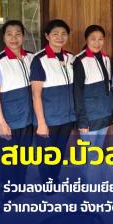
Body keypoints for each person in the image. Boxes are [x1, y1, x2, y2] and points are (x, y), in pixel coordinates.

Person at [0, 20, 34, 196]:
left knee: (24, 158)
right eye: (9, 34)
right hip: (9, 121)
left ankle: (19, 190)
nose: (14, 38)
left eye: (18, 34)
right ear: (3, 37)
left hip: (28, 120)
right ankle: (8, 194)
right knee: (9, 160)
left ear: (24, 36)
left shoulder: (31, 58)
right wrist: (1, 123)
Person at [30, 19, 76, 184]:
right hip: (48, 118)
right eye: (55, 34)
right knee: (46, 155)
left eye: (63, 34)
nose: (60, 37)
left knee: (59, 152)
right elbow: (36, 94)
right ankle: (47, 184)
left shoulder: (70, 58)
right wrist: (41, 123)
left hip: (67, 117)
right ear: (47, 36)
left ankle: (54, 179)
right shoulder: (39, 59)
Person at [73, 24, 113, 178]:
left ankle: (93, 183)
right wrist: (82, 121)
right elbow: (77, 93)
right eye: (93, 39)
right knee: (88, 154)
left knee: (97, 152)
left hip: (104, 115)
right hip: (89, 118)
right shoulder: (80, 60)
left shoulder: (106, 58)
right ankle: (87, 186)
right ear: (86, 40)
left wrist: (111, 113)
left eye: (100, 39)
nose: (97, 42)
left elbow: (108, 88)